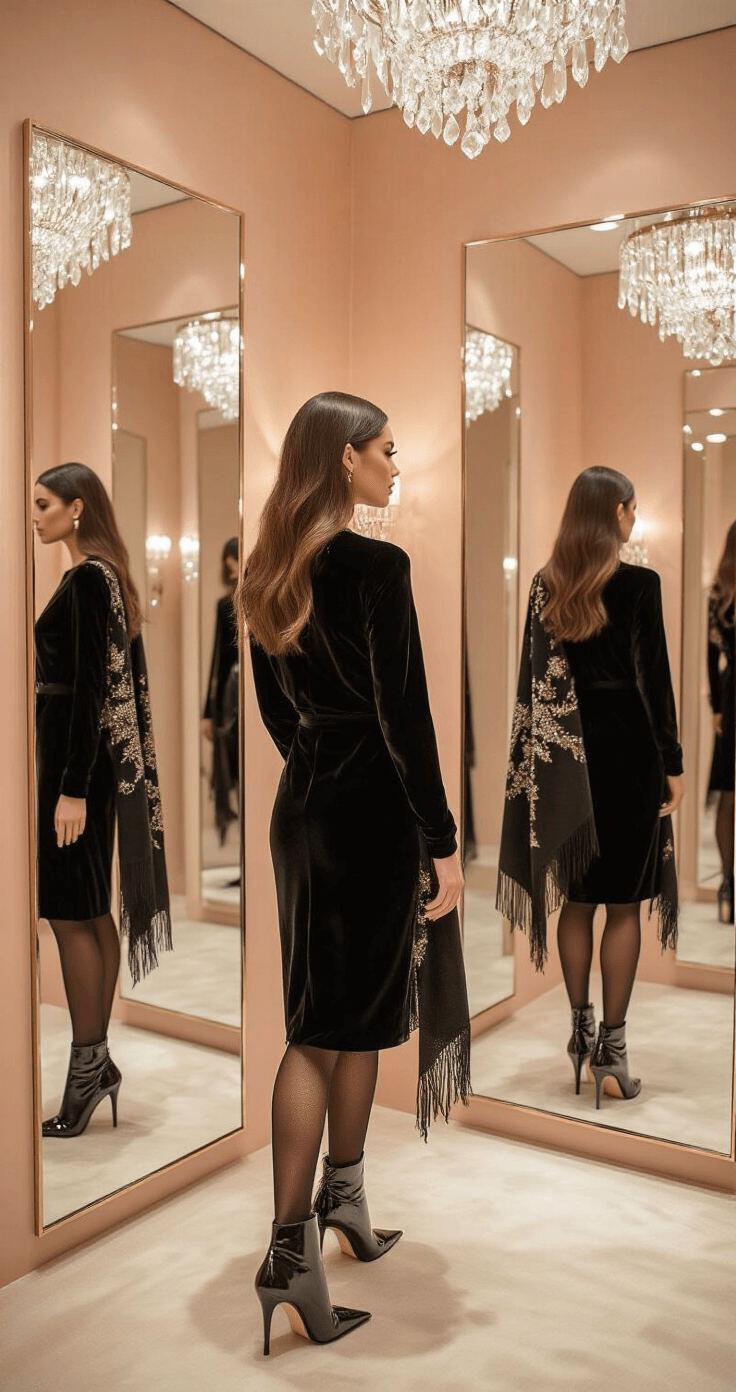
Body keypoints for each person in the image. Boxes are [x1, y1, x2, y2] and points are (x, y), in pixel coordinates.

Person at [239, 391, 470, 1353]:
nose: (395, 462)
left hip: (304, 810)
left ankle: (346, 1203)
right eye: (385, 448)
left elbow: (275, 713)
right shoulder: (377, 565)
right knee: (328, 1026)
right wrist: (443, 837)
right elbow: (405, 717)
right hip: (368, 817)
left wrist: (322, 768)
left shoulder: (268, 571)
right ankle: (290, 1251)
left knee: (355, 1011)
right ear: (342, 459)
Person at [497, 467, 684, 1111]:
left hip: (566, 764)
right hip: (631, 758)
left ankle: (577, 1029)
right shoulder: (639, 584)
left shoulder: (546, 586)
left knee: (577, 902)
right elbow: (653, 679)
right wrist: (674, 762)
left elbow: (534, 685)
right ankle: (613, 1048)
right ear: (619, 513)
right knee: (625, 907)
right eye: (631, 510)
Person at [33, 463, 171, 1138]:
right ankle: (98, 1066)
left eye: (43, 504)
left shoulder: (90, 579)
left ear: (77, 508)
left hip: (73, 774)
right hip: (82, 773)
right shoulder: (106, 576)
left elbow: (87, 689)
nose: (35, 516)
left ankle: (87, 1072)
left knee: (68, 913)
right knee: (88, 909)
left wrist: (68, 789)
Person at [201, 536, 240, 849]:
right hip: (228, 703)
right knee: (231, 775)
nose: (230, 568)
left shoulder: (261, 598)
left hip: (252, 701)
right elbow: (218, 659)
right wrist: (208, 712)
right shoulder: (225, 605)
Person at [707, 521, 735, 924]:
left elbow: (712, 659)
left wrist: (717, 706)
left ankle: (728, 884)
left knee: (730, 792)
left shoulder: (719, 592)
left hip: (732, 695)